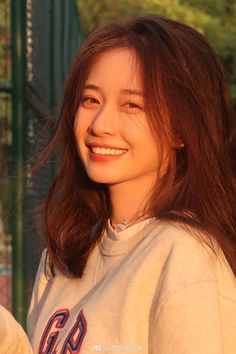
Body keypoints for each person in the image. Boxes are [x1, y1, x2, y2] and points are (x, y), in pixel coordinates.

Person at [27, 15, 236, 354]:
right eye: (91, 100)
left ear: (180, 130)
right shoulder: (63, 253)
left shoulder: (183, 255)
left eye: (132, 105)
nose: (101, 124)